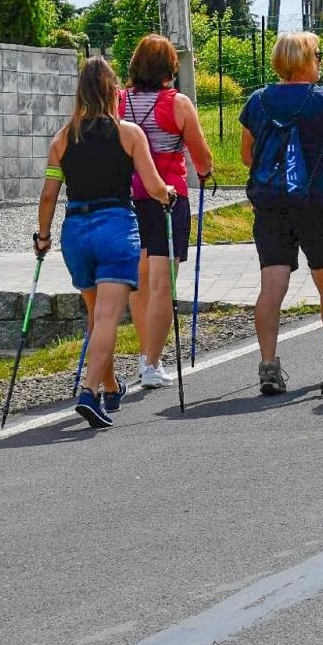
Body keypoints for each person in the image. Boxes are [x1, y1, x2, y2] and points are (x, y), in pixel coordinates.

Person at [35, 57, 175, 428]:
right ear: (115, 93)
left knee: (97, 316)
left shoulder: (62, 139)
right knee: (109, 317)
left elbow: (49, 194)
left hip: (75, 231)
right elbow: (153, 184)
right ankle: (88, 390)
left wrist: (43, 237)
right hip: (115, 226)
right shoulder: (129, 134)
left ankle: (111, 386)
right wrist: (169, 195)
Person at [241, 32, 323, 395]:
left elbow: (246, 155)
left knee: (272, 286)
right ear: (304, 59)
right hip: (315, 202)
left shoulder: (257, 101)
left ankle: (268, 366)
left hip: (270, 206)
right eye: (317, 54)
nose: (320, 60)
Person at [121, 34, 214, 389]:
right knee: (163, 284)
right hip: (167, 198)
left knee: (138, 282)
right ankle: (152, 363)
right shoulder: (178, 104)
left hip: (128, 199)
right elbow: (201, 158)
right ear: (170, 67)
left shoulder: (119, 101)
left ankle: (146, 354)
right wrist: (206, 174)